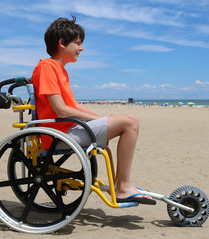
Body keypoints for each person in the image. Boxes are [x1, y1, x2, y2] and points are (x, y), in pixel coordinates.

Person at [31, 16, 155, 205]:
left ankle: (123, 185)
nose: (81, 48)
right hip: (60, 135)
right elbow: (62, 110)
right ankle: (123, 187)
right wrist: (97, 118)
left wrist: (100, 117)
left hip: (67, 130)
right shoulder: (47, 67)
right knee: (131, 121)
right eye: (78, 43)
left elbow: (73, 106)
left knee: (125, 120)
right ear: (62, 43)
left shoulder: (60, 70)